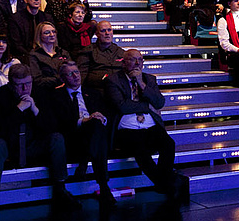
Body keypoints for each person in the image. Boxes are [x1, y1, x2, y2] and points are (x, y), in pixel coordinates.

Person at [0, 64, 80, 219]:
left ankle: (61, 188)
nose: (25, 89)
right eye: (19, 85)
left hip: (34, 143)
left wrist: (35, 110)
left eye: (28, 83)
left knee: (57, 138)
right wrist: (18, 109)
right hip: (10, 146)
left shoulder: (40, 94)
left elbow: (52, 126)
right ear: (10, 83)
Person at [104, 49, 182, 197]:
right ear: (124, 62)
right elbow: (122, 106)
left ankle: (162, 183)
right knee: (140, 149)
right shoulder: (113, 80)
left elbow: (159, 102)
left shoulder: (149, 79)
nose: (137, 63)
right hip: (127, 127)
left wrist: (141, 83)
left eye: (140, 60)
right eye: (133, 60)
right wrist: (147, 106)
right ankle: (164, 183)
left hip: (149, 124)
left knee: (168, 144)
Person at [51, 61, 115, 206]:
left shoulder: (93, 93)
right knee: (97, 133)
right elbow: (60, 123)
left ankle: (86, 159)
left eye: (77, 72)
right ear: (62, 78)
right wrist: (83, 120)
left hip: (93, 133)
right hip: (73, 137)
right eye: (70, 73)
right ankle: (104, 186)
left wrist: (100, 117)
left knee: (97, 125)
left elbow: (107, 115)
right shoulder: (56, 96)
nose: (75, 76)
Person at [76, 21, 125, 91]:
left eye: (109, 30)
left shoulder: (120, 52)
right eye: (103, 31)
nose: (107, 33)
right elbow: (81, 75)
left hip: (120, 89)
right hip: (98, 91)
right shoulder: (88, 51)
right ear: (97, 34)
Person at [28, 22, 71, 93]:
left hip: (66, 90)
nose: (52, 35)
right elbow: (37, 80)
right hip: (46, 92)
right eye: (47, 33)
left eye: (54, 32)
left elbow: (71, 72)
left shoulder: (63, 53)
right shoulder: (34, 55)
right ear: (40, 35)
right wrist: (61, 79)